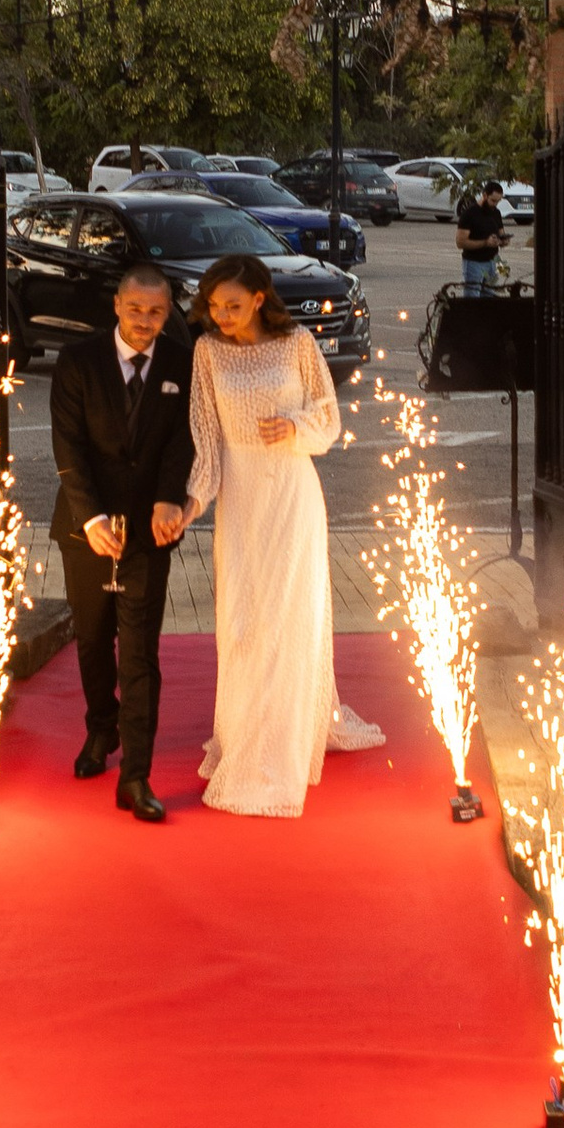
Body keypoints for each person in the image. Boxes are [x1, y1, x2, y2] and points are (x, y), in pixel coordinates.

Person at [182, 253, 385, 819]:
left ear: (261, 299)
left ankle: (283, 742)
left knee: (290, 617)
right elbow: (205, 437)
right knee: (244, 622)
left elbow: (329, 416)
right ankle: (245, 732)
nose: (221, 315)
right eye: (214, 306)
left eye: (233, 304)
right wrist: (191, 502)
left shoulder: (298, 344)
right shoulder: (206, 352)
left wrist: (295, 427)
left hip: (293, 494)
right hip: (242, 500)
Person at [49, 260, 197, 822]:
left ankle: (136, 774)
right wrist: (90, 520)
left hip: (148, 530)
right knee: (92, 638)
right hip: (84, 527)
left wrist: (171, 498)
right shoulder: (77, 360)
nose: (144, 320)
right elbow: (68, 447)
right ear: (117, 305)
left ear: (167, 313)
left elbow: (184, 440)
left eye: (156, 311)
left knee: (139, 652)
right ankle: (100, 731)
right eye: (135, 309)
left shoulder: (183, 364)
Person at [453, 172, 505, 298]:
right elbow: (460, 242)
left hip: (492, 262)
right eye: (493, 200)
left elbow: (501, 233)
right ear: (484, 195)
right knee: (473, 296)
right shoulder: (470, 214)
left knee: (490, 294)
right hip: (474, 263)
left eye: (498, 201)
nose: (495, 204)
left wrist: (503, 240)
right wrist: (485, 242)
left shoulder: (495, 213)